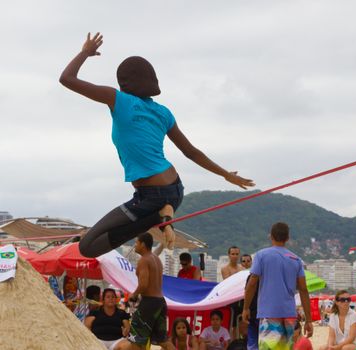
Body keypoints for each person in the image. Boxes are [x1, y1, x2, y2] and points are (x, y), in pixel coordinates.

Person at [60, 33, 254, 258]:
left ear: (124, 82)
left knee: (87, 247)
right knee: (92, 246)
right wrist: (224, 174)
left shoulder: (118, 100)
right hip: (173, 191)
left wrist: (85, 52)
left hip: (153, 196)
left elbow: (67, 78)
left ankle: (158, 218)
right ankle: (161, 217)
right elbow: (190, 151)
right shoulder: (162, 112)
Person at [243, 222, 313, 350]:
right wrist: (309, 320)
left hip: (269, 313)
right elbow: (303, 289)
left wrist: (246, 308)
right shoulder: (296, 259)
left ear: (271, 236)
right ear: (287, 238)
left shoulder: (261, 255)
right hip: (289, 314)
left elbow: (252, 283)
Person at [115, 233, 175, 350]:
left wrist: (134, 294)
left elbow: (143, 285)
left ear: (143, 244)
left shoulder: (143, 260)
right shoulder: (156, 259)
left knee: (136, 341)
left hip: (149, 303)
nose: (135, 245)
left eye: (137, 242)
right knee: (163, 341)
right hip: (160, 302)